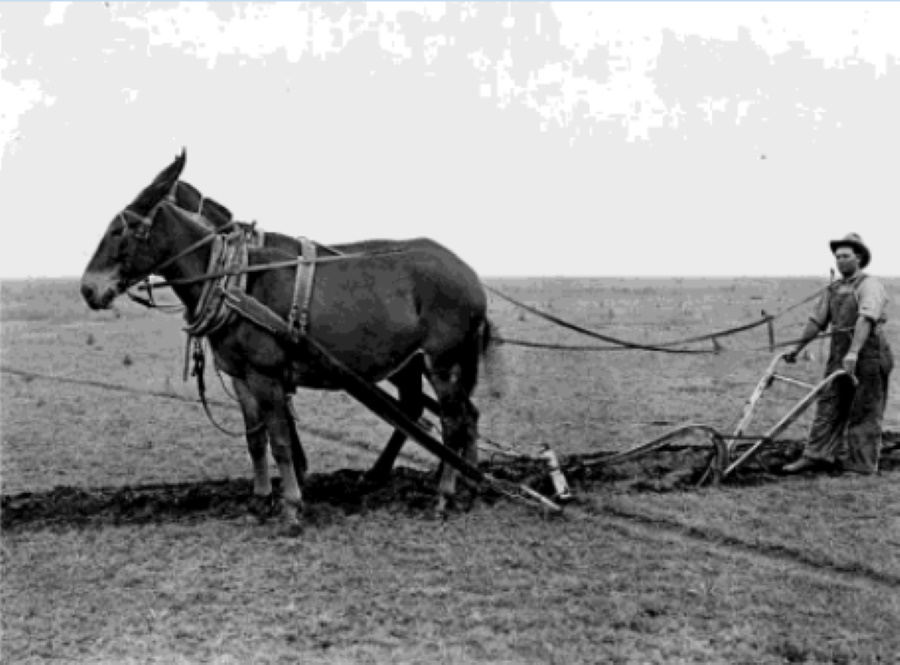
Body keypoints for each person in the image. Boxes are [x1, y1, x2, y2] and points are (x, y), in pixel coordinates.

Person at [782, 233, 893, 475]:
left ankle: (860, 466)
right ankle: (816, 455)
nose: (840, 261)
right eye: (837, 257)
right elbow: (816, 320)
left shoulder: (869, 285)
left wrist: (853, 353)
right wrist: (797, 349)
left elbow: (866, 318)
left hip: (869, 354)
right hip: (840, 352)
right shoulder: (834, 288)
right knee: (829, 403)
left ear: (859, 258)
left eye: (846, 256)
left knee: (865, 408)